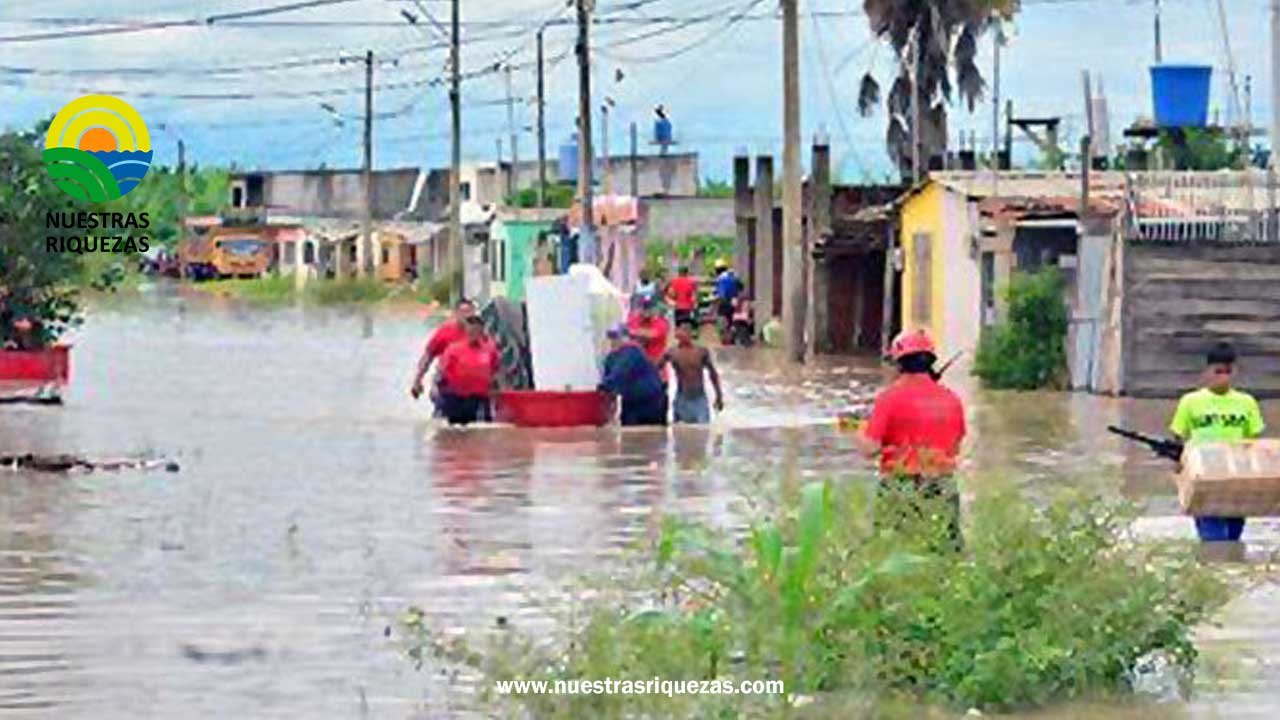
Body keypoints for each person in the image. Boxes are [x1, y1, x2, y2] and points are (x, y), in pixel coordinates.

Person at [854, 329, 967, 546]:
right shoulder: (952, 399)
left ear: (898, 364)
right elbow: (956, 446)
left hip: (900, 486)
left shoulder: (889, 398)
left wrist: (856, 430)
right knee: (945, 553)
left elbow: (869, 449)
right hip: (942, 484)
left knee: (891, 552)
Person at [1169, 342, 1265, 542]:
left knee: (1233, 537)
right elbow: (1178, 436)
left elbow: (1254, 441)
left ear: (1234, 372)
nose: (1222, 377)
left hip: (1237, 479)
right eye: (1217, 371)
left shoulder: (1246, 402)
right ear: (1207, 372)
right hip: (1204, 480)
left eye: (1227, 372)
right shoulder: (1190, 401)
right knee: (1215, 538)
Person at [410, 298, 476, 409]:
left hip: (472, 386)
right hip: (446, 384)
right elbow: (428, 357)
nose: (466, 316)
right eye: (463, 312)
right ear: (456, 313)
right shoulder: (445, 332)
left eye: (469, 312)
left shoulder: (479, 333)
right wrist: (418, 381)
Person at [435, 316, 499, 426]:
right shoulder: (453, 349)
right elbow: (441, 371)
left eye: (476, 331)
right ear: (466, 331)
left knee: (481, 429)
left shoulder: (490, 349)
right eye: (471, 330)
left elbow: (495, 371)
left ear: (481, 331)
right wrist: (435, 389)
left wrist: (496, 393)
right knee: (455, 430)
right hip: (455, 397)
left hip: (479, 397)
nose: (473, 334)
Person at [599, 324, 668, 426]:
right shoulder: (610, 359)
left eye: (616, 337)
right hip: (630, 402)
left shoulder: (633, 351)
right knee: (628, 434)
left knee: (652, 436)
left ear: (626, 338)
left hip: (651, 402)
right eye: (611, 337)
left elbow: (618, 374)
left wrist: (601, 386)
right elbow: (609, 388)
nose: (613, 341)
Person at [661, 320, 724, 424]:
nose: (685, 333)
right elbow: (655, 370)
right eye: (683, 330)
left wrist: (719, 396)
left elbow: (713, 374)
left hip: (700, 399)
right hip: (681, 398)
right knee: (680, 434)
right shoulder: (672, 353)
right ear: (677, 333)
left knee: (703, 431)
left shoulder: (701, 351)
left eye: (688, 330)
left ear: (692, 334)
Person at [626, 296, 671, 380]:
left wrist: (635, 332)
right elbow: (627, 331)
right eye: (644, 308)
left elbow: (653, 334)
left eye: (649, 309)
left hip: (656, 364)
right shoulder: (634, 319)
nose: (646, 312)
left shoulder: (661, 322)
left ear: (655, 310)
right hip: (638, 364)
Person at [713, 262, 743, 339]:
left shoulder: (721, 278)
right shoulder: (734, 276)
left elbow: (720, 292)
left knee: (722, 317)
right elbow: (741, 287)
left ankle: (725, 335)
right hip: (735, 300)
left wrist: (716, 298)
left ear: (717, 271)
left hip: (725, 300)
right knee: (732, 318)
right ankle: (733, 333)